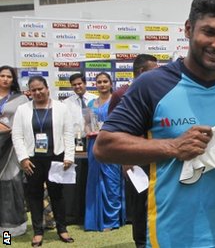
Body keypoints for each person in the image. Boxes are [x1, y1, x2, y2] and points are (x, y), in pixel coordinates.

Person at [93, 0, 215, 246]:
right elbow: (104, 146)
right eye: (209, 32)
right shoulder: (153, 85)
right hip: (172, 237)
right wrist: (172, 146)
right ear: (189, 29)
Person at [12, 76, 75, 247]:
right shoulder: (22, 109)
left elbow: (68, 133)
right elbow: (17, 136)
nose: (37, 92)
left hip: (56, 158)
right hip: (32, 160)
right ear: (29, 92)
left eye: (40, 89)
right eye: (34, 90)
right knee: (34, 195)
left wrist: (69, 156)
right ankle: (38, 232)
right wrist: (23, 158)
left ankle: (62, 229)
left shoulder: (62, 108)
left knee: (57, 195)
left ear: (47, 88)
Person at [107, 54, 158, 248]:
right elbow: (114, 131)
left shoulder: (159, 92)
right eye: (155, 70)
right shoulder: (121, 94)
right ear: (142, 72)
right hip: (135, 159)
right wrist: (125, 160)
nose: (159, 74)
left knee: (157, 201)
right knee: (139, 205)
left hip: (158, 155)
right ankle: (140, 243)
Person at [84, 72, 125, 231]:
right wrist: (89, 130)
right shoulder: (91, 103)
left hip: (111, 143)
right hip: (94, 143)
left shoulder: (116, 101)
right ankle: (95, 219)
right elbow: (86, 123)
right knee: (95, 181)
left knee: (112, 181)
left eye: (105, 81)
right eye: (99, 82)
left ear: (110, 83)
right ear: (95, 84)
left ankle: (112, 220)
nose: (102, 84)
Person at [0, 65, 29, 236]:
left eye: (8, 76)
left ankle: (9, 232)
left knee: (10, 186)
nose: (5, 79)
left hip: (11, 148)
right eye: (2, 75)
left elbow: (25, 123)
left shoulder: (21, 99)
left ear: (13, 80)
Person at [63, 73, 97, 139]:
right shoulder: (66, 103)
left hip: (93, 138)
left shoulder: (95, 100)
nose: (77, 86)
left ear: (85, 83)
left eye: (79, 84)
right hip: (74, 139)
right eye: (74, 85)